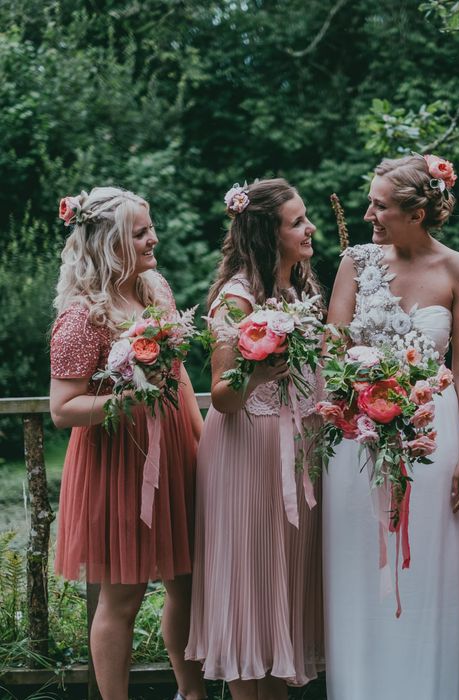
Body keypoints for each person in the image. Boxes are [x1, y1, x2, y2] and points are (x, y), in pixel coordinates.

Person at [323, 154, 459, 700]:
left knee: (427, 570)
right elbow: (332, 347)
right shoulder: (356, 261)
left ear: (417, 212)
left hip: (431, 436)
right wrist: (358, 396)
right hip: (356, 431)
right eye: (370, 202)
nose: (369, 212)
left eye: (381, 205)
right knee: (358, 563)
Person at [50, 187, 205, 700]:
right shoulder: (81, 316)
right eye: (141, 233)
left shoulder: (155, 289)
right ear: (112, 243)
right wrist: (126, 405)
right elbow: (62, 409)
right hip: (117, 463)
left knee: (187, 582)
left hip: (176, 450)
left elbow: (176, 375)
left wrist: (200, 443)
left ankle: (192, 693)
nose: (153, 238)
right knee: (122, 597)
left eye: (150, 227)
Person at [185, 179, 324, 700]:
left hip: (300, 450)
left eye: (306, 218)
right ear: (269, 232)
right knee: (251, 588)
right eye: (297, 222)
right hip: (249, 450)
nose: (309, 229)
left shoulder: (299, 290)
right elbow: (222, 394)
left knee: (283, 587)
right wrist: (263, 374)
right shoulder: (236, 298)